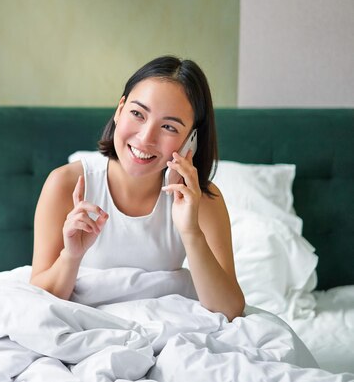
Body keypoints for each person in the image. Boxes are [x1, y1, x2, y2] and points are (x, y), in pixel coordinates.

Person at [30, 55, 245, 321]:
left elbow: (229, 309)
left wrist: (191, 231)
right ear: (120, 110)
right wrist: (71, 256)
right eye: (137, 114)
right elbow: (38, 300)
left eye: (168, 126)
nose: (146, 139)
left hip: (164, 327)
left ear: (191, 139)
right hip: (84, 324)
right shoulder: (65, 184)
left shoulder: (201, 199)